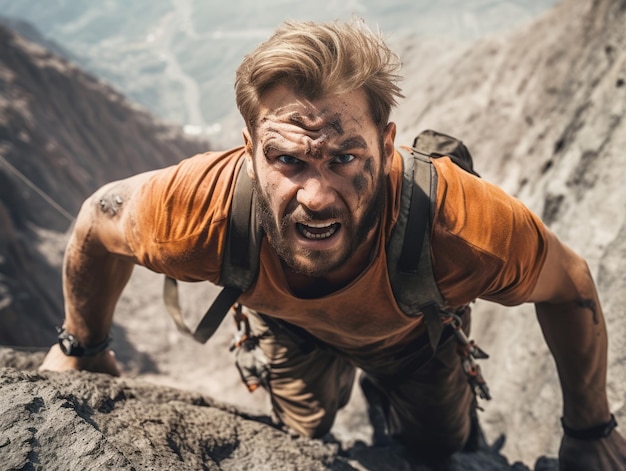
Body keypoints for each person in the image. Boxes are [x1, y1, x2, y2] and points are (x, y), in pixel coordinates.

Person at [39, 19, 625, 469]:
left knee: (441, 448)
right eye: (288, 160)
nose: (317, 196)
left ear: (388, 143)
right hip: (290, 329)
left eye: (345, 157)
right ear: (248, 151)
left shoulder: (461, 228)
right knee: (302, 432)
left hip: (415, 336)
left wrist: (590, 430)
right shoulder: (200, 210)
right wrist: (81, 343)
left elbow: (567, 281)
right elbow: (99, 220)